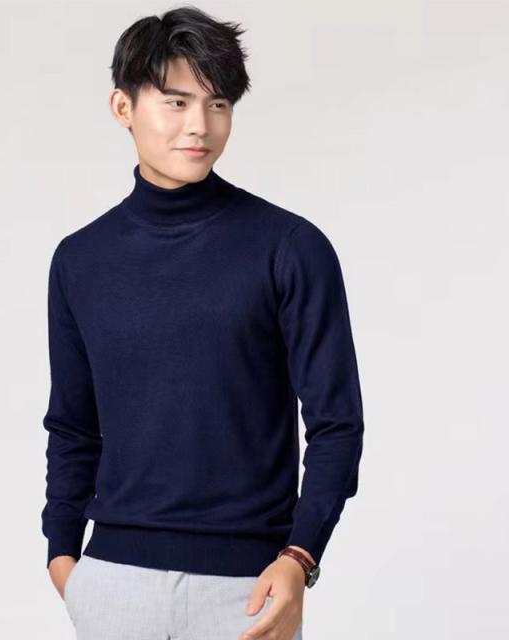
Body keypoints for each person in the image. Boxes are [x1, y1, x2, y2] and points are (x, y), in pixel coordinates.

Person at [40, 6, 364, 640]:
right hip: (111, 586)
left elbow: (337, 424)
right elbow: (73, 424)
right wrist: (62, 555)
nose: (201, 126)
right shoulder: (80, 259)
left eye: (218, 105)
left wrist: (300, 556)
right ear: (123, 107)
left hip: (246, 589)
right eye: (177, 102)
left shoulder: (289, 248)